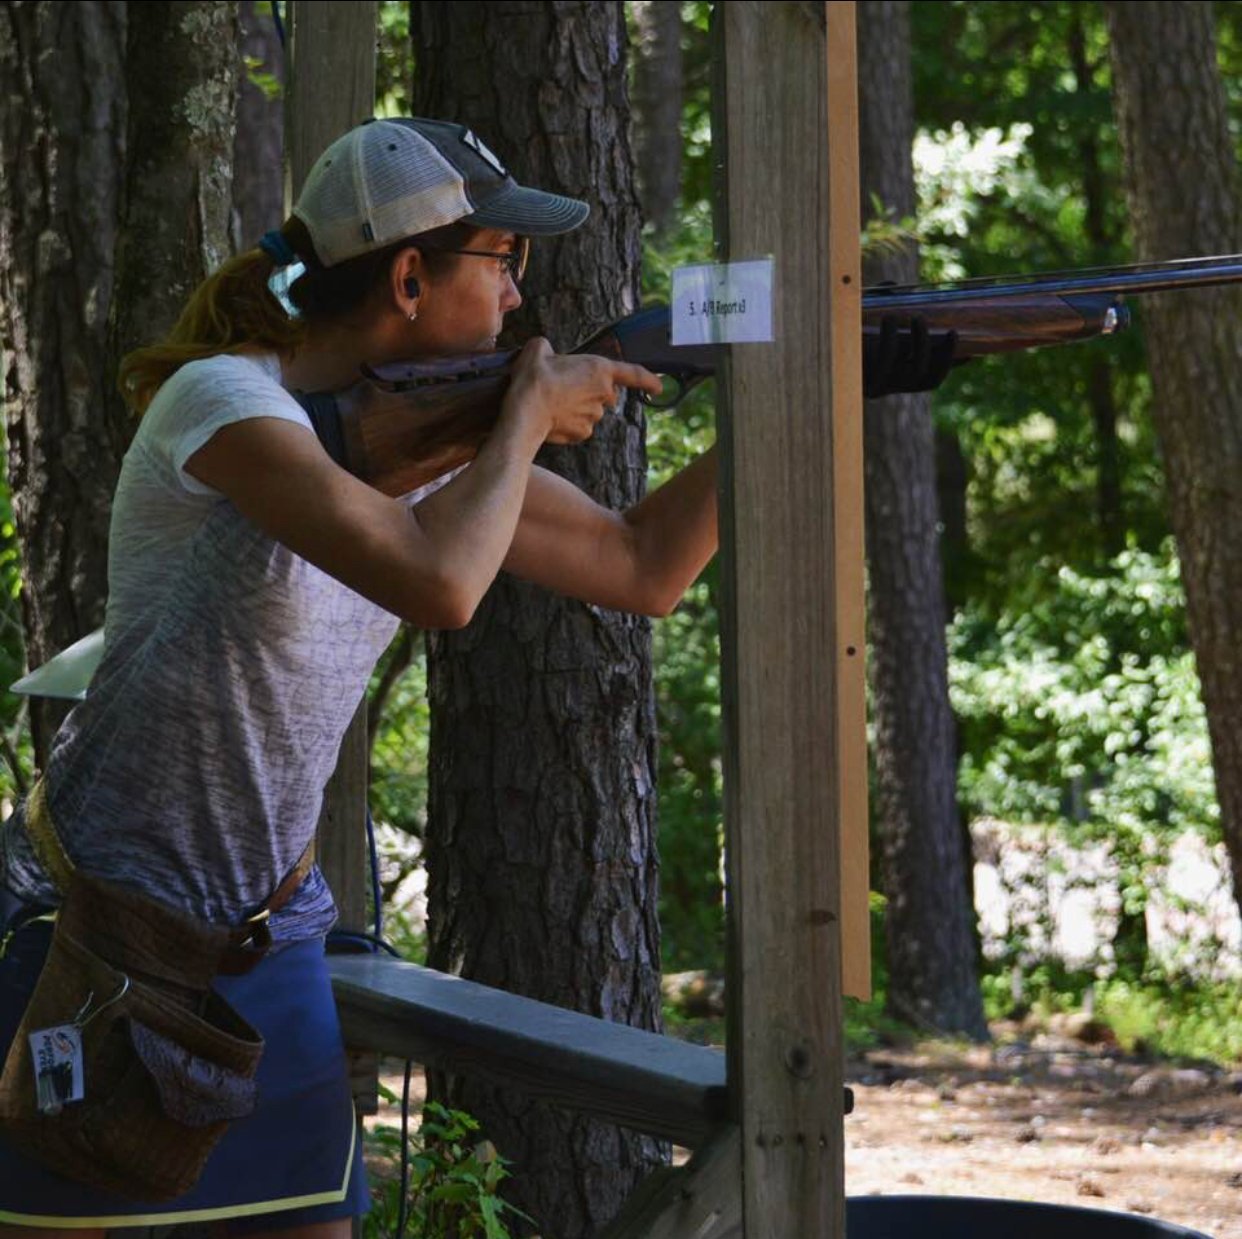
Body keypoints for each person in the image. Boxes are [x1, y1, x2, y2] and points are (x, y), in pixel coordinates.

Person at [0, 116, 714, 1239]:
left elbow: (645, 566)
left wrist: (804, 399)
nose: (522, 299)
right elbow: (441, 586)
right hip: (99, 937)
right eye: (505, 261)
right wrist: (523, 419)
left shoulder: (431, 454)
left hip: (268, 938)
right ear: (412, 277)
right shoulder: (226, 404)